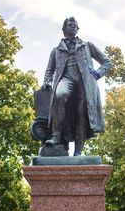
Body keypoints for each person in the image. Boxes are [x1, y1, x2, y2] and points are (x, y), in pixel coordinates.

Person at [41, 17, 112, 156]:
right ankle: (56, 135)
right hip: (65, 78)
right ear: (63, 29)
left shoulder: (87, 45)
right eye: (70, 25)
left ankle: (78, 151)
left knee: (82, 113)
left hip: (84, 82)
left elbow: (107, 62)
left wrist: (97, 74)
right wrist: (47, 81)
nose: (73, 27)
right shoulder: (56, 50)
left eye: (75, 25)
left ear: (78, 29)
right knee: (60, 94)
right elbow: (50, 70)